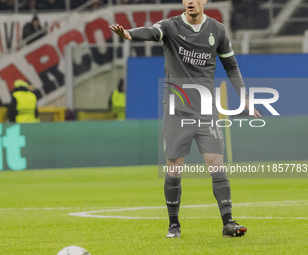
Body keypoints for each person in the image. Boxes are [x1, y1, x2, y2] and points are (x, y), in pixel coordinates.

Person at [110, 0, 262, 238]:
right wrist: (130, 33)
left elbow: (231, 67)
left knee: (216, 164)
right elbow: (153, 32)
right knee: (174, 170)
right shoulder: (171, 26)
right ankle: (174, 225)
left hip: (205, 109)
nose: (190, 1)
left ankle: (228, 222)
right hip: (176, 109)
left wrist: (245, 98)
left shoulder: (218, 30)